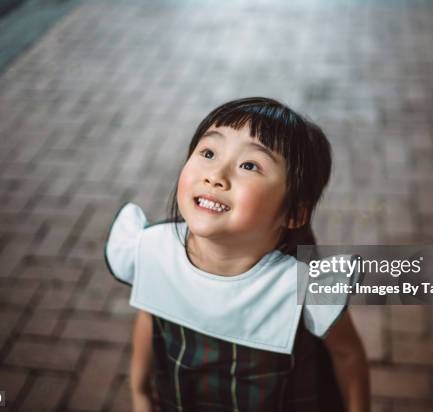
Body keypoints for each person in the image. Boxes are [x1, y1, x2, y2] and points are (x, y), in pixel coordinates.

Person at [105, 97, 369, 411]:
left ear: (295, 213)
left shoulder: (305, 288)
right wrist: (139, 392)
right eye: (207, 153)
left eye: (249, 165)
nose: (215, 175)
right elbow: (151, 312)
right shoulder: (155, 249)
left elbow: (347, 354)